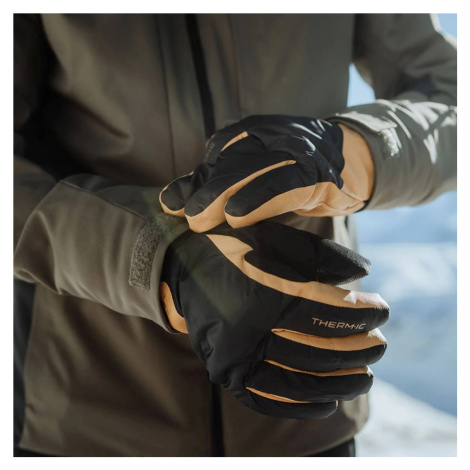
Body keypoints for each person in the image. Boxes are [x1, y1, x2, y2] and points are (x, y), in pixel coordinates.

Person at [14, 14, 456, 457]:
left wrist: (346, 152)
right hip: (87, 422)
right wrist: (162, 263)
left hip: (304, 410)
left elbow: (453, 98)